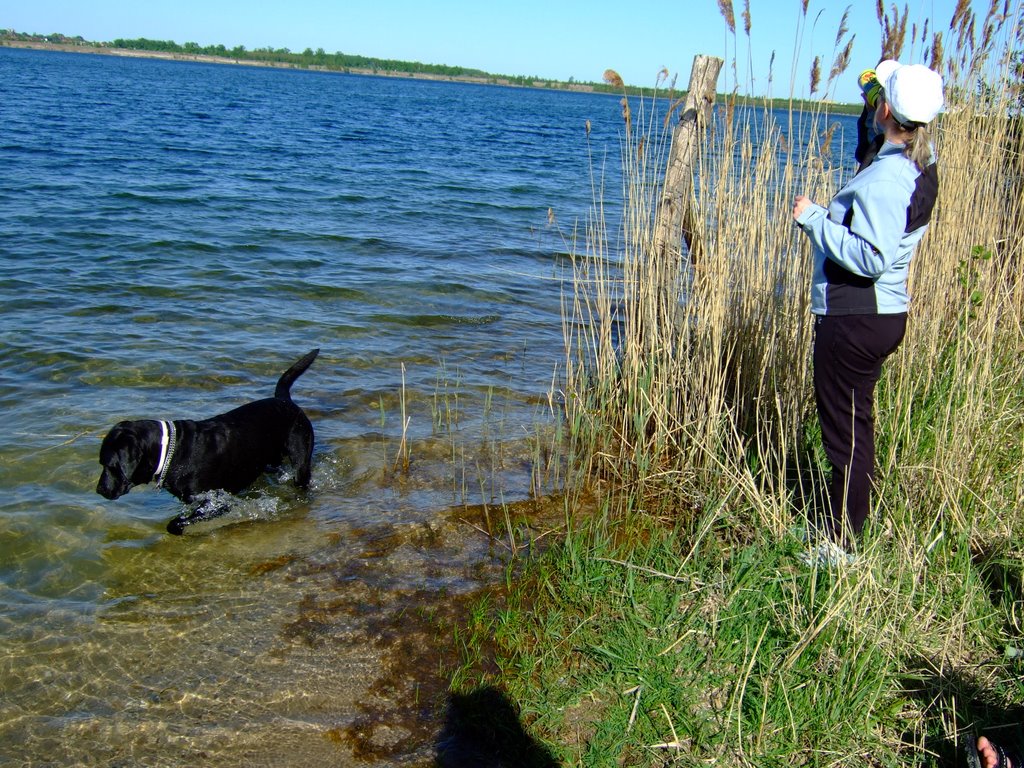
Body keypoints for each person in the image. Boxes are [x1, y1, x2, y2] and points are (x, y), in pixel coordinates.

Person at [792, 60, 944, 562]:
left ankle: (843, 546)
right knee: (854, 424)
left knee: (845, 434)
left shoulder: (886, 179)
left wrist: (813, 218)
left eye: (879, 100)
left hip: (854, 316)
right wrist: (879, 99)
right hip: (882, 315)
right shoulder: (922, 163)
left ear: (886, 109)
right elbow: (878, 143)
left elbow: (873, 256)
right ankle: (847, 529)